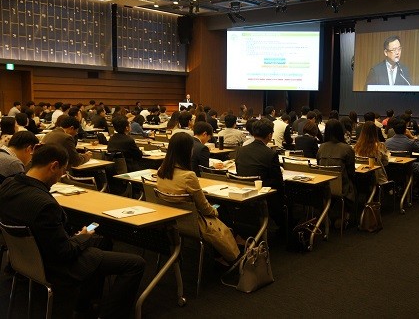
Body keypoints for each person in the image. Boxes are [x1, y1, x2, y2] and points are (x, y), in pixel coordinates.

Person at [0, 143, 145, 318]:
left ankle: (86, 302)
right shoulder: (45, 205)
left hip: (23, 261)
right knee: (135, 263)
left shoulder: (8, 185)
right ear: (53, 166)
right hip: (54, 266)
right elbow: (65, 252)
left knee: (102, 240)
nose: (63, 175)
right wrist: (82, 237)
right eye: (63, 170)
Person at [156, 132, 240, 264]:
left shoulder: (161, 171)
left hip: (171, 221)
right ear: (187, 151)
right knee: (221, 207)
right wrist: (215, 211)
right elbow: (205, 208)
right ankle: (229, 252)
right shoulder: (189, 176)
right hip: (192, 223)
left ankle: (229, 244)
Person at [235, 118, 285, 229]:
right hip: (263, 197)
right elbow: (278, 182)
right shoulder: (270, 154)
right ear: (269, 135)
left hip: (243, 193)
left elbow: (239, 172)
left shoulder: (240, 150)